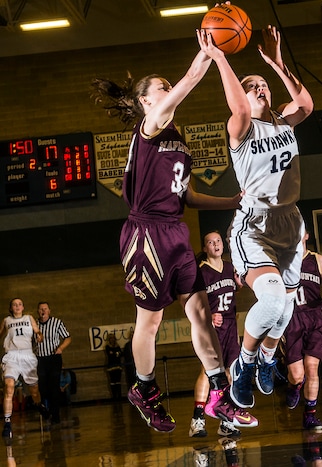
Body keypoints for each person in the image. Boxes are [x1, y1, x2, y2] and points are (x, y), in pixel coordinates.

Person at [90, 29, 244, 433]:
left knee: (201, 314)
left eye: (169, 85)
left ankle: (220, 393)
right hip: (146, 236)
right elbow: (191, 81)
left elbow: (188, 195)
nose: (171, 88)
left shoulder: (176, 136)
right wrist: (207, 52)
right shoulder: (152, 126)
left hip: (176, 233)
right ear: (145, 101)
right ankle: (144, 389)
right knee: (151, 323)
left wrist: (229, 202)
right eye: (163, 87)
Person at [196, 20, 313, 410]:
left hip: (290, 221)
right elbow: (239, 105)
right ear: (244, 95)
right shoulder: (241, 126)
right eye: (253, 84)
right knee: (275, 301)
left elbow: (307, 104)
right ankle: (244, 364)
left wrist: (279, 63)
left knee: (288, 308)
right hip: (255, 225)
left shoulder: (283, 118)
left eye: (264, 84)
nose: (261, 87)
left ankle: (265, 356)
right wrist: (220, 58)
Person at [189, 231, 258, 439]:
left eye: (218, 240)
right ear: (205, 248)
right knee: (208, 371)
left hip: (230, 326)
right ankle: (197, 419)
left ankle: (226, 422)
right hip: (210, 327)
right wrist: (208, 316)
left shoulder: (230, 267)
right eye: (210, 242)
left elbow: (227, 293)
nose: (215, 244)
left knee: (230, 373)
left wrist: (238, 285)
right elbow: (191, 301)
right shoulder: (200, 271)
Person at [283, 231, 322, 432]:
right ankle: (294, 387)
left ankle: (310, 416)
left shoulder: (317, 259)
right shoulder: (284, 259)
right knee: (297, 375)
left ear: (306, 236)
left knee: (312, 368)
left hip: (314, 316)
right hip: (292, 317)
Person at [1, 298, 51, 439]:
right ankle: (7, 423)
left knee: (34, 392)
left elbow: (37, 331)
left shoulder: (29, 318)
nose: (17, 306)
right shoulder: (6, 321)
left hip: (27, 355)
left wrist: (39, 335)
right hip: (12, 356)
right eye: (14, 305)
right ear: (11, 308)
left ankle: (38, 405)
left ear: (23, 307)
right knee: (9, 386)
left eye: (19, 304)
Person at [35, 301, 71, 424]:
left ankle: (55, 415)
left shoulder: (57, 322)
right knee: (42, 387)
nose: (43, 311)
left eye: (45, 308)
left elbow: (68, 337)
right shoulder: (34, 324)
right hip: (40, 359)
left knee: (54, 387)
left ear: (49, 311)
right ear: (38, 311)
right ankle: (46, 409)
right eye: (40, 309)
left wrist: (61, 348)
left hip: (54, 358)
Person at [104, 334, 123, 400]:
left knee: (118, 381)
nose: (112, 340)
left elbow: (120, 354)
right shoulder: (107, 347)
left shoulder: (118, 346)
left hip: (118, 366)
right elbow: (111, 355)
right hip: (111, 366)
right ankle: (114, 396)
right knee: (113, 381)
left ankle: (119, 396)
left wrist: (115, 353)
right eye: (111, 338)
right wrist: (116, 353)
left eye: (113, 338)